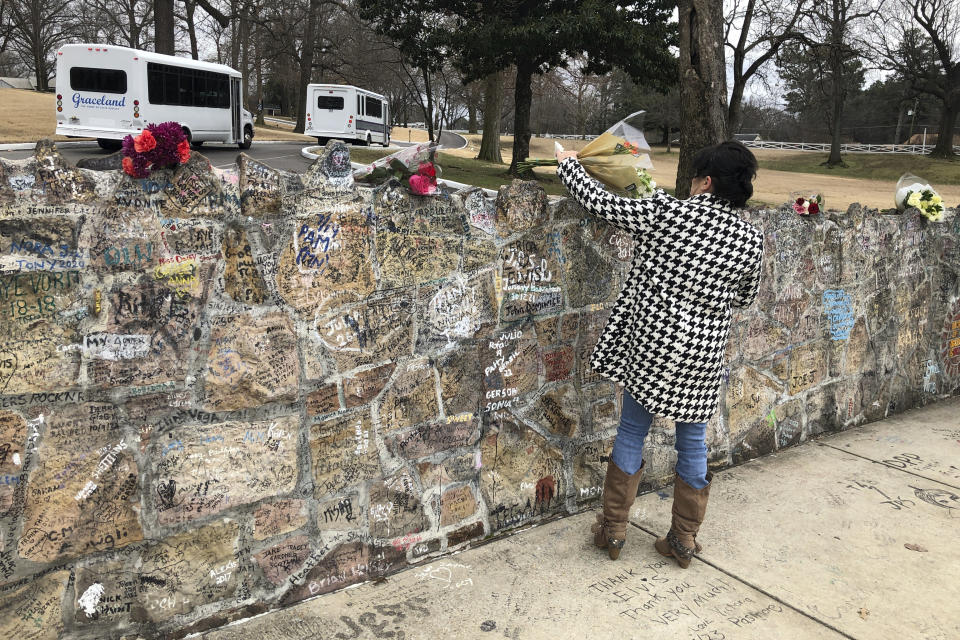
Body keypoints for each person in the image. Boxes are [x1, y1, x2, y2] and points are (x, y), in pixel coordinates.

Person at [556, 140, 764, 567]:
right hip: (702, 355)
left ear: (705, 181)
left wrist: (569, 166)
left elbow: (601, 203)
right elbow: (744, 297)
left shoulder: (668, 212)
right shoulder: (750, 238)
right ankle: (684, 540)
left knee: (632, 431)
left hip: (651, 345)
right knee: (693, 442)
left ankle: (613, 530)